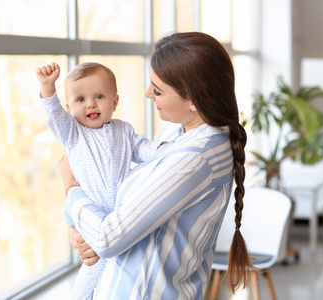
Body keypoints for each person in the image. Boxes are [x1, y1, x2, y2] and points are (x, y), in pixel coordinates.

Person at [58, 31, 253, 300]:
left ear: (194, 99)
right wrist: (80, 234)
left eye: (158, 90)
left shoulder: (194, 158)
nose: (147, 94)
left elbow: (108, 238)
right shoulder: (178, 133)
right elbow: (111, 231)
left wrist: (70, 187)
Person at [36, 62, 161, 300]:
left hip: (119, 215)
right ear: (69, 107)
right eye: (80, 99)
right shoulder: (73, 133)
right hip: (89, 215)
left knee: (116, 268)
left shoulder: (124, 130)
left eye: (99, 96)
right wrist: (47, 87)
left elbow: (144, 149)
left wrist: (164, 150)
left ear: (114, 102)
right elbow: (53, 115)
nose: (91, 104)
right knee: (92, 267)